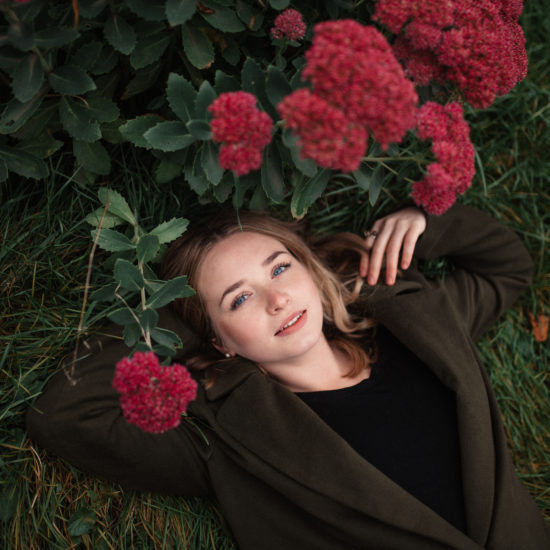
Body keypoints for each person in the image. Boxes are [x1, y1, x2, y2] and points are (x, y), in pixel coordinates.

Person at [26, 203, 549, 550]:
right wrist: (172, 309)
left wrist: (423, 224)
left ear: (310, 269)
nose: (277, 299)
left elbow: (505, 268)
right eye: (239, 298)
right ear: (217, 338)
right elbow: (65, 413)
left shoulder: (417, 327)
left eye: (279, 268)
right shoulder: (225, 441)